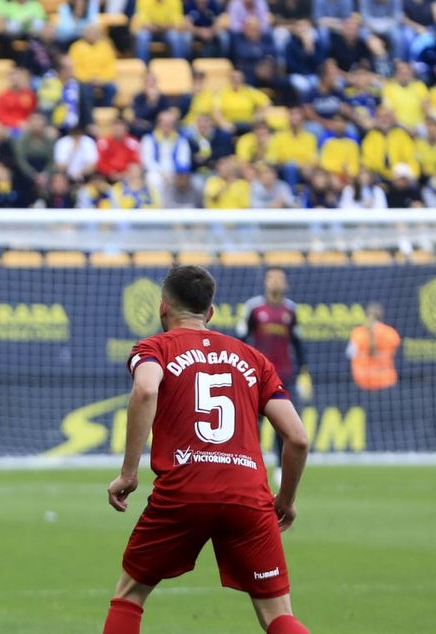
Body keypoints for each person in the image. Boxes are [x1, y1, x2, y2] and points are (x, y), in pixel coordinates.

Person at [103, 265, 310, 634]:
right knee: (278, 614)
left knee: (129, 595)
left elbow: (147, 389)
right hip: (248, 495)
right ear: (210, 313)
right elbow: (297, 438)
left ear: (162, 307)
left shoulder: (154, 348)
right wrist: (287, 499)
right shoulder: (253, 358)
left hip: (183, 491)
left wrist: (129, 473)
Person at [237, 267, 309, 483]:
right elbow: (241, 340)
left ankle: (280, 466)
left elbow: (298, 344)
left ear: (286, 284)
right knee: (251, 423)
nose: (275, 282)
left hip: (282, 376)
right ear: (265, 282)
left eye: (280, 278)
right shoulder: (254, 308)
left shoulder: (291, 311)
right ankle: (253, 464)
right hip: (256, 376)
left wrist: (304, 373)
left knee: (282, 425)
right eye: (271, 278)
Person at [347, 303, 401, 392]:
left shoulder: (358, 332)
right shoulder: (391, 333)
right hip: (386, 381)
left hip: (363, 382)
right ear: (381, 316)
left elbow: (350, 354)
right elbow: (394, 353)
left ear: (366, 315)